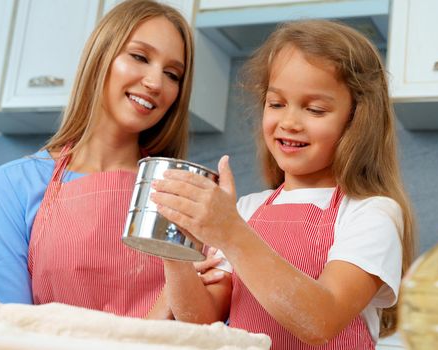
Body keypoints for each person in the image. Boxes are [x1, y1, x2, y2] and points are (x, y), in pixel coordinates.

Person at [151, 19, 416, 348]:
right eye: (276, 104)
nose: (289, 122)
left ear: (356, 121)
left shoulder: (371, 213)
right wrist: (175, 248)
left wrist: (231, 232)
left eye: (315, 109)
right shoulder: (248, 209)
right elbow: (204, 322)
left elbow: (321, 320)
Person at [0, 0, 230, 320]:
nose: (155, 83)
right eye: (140, 57)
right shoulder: (12, 186)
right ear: (101, 57)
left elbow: (203, 327)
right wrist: (170, 297)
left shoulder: (184, 195)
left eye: (172, 74)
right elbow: (7, 327)